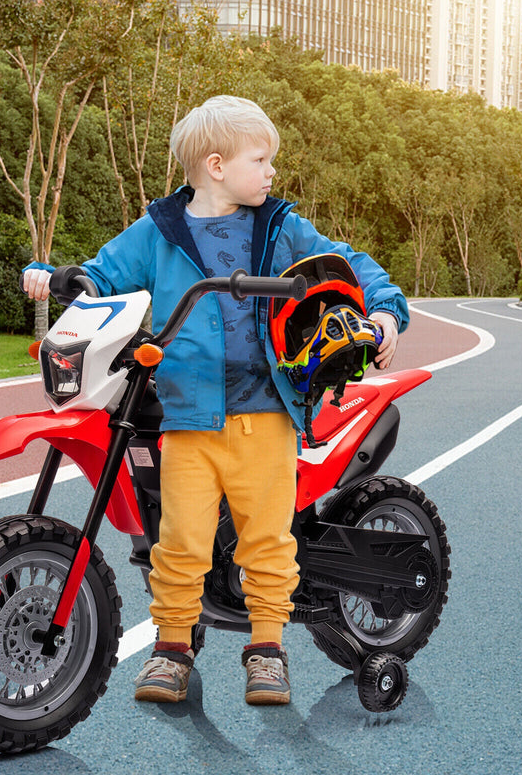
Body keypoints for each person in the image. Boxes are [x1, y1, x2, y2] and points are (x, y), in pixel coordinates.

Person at [23, 95, 408, 706]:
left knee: (268, 542)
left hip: (266, 413)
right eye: (261, 160)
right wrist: (60, 277)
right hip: (188, 416)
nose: (272, 172)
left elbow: (351, 267)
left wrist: (384, 312)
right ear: (217, 165)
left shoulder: (279, 228)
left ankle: (268, 651)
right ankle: (173, 648)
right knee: (179, 543)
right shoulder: (158, 232)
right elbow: (105, 273)